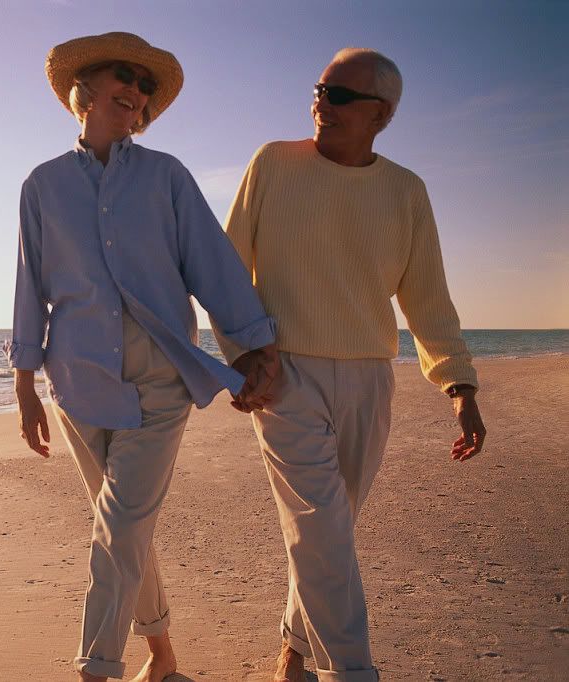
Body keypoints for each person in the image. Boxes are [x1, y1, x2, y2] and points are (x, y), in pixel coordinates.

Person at [6, 32, 279, 682]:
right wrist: (23, 385)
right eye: (124, 77)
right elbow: (28, 285)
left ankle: (95, 670)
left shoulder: (166, 178)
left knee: (117, 531)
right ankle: (162, 657)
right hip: (76, 386)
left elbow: (213, 268)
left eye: (145, 88)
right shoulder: (41, 186)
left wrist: (255, 349)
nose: (137, 91)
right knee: (123, 529)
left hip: (159, 385)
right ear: (85, 91)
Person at [216, 48, 487, 682]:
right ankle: (352, 670)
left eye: (339, 95)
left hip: (370, 375)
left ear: (381, 116)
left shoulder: (406, 191)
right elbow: (226, 268)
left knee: (331, 528)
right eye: (319, 89)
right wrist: (242, 357)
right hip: (285, 373)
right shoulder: (271, 164)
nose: (321, 103)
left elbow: (427, 297)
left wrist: (460, 384)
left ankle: (294, 649)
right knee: (320, 527)